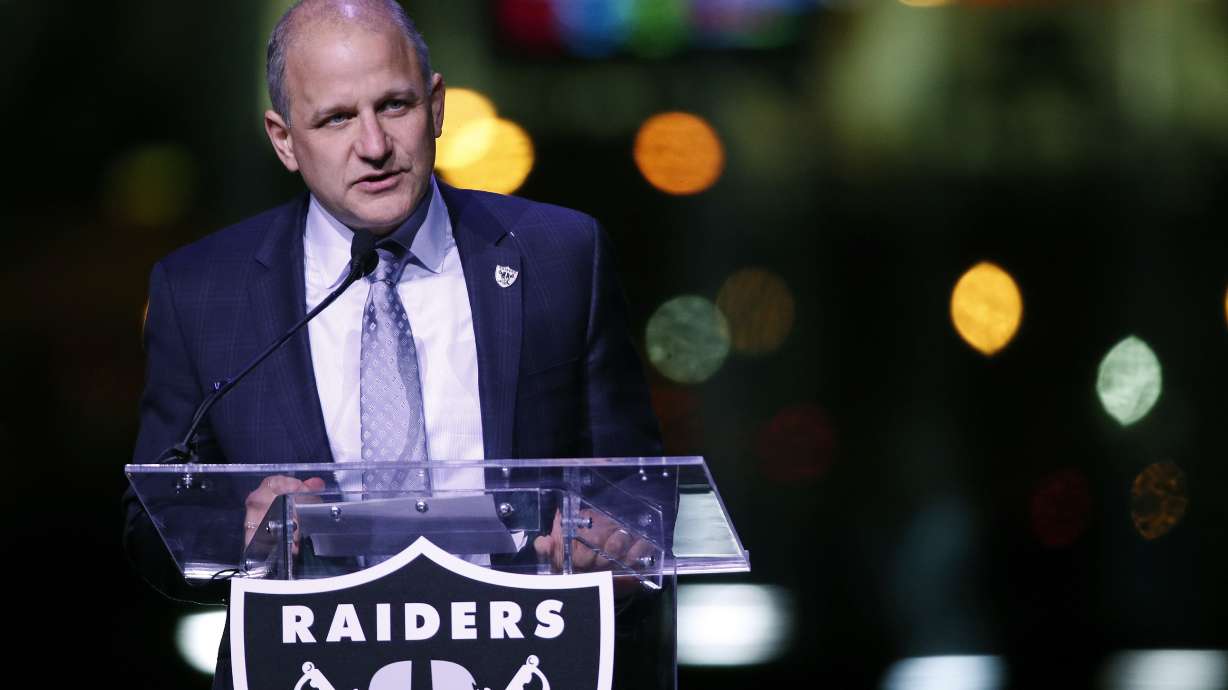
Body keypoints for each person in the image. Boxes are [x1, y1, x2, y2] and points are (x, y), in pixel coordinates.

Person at [122, 1, 663, 683]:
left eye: (395, 105)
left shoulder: (558, 256)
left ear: (436, 107)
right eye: (336, 118)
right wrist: (241, 533)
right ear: (284, 139)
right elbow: (153, 520)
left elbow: (637, 487)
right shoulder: (202, 291)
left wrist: (611, 544)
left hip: (527, 665)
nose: (374, 145)